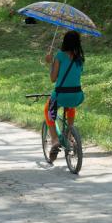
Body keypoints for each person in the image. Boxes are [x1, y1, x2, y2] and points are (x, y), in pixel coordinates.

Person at [44, 30, 85, 161]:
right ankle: (69, 133)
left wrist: (50, 62)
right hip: (77, 95)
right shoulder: (80, 58)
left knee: (48, 110)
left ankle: (55, 140)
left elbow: (53, 78)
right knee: (71, 105)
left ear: (65, 42)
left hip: (61, 94)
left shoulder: (60, 56)